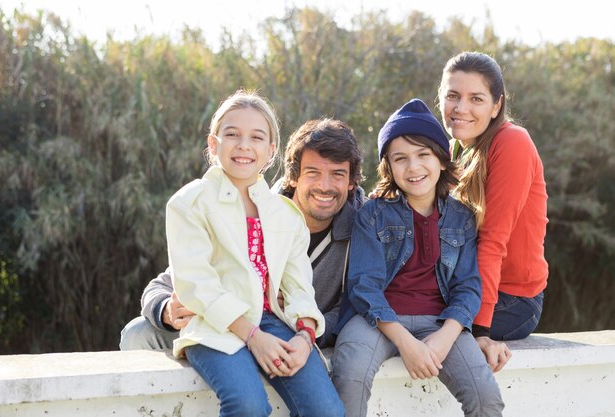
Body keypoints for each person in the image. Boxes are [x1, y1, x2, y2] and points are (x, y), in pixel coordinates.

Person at [164, 90, 344, 417]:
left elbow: (299, 285)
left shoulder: (285, 214)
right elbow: (196, 284)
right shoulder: (189, 203)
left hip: (275, 324)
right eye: (232, 134)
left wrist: (304, 337)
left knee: (326, 411)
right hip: (214, 328)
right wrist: (252, 336)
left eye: (256, 137)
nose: (244, 145)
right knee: (248, 405)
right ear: (213, 144)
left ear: (271, 150)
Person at [120, 118, 365, 351]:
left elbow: (351, 309)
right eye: (312, 173)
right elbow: (164, 284)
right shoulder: (249, 209)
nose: (324, 186)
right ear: (293, 177)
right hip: (224, 329)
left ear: (351, 181)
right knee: (137, 333)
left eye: (337, 174)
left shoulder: (364, 229)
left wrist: (302, 326)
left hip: (292, 337)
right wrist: (166, 310)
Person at [331, 98, 504, 417]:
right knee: (350, 377)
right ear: (388, 167)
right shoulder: (372, 215)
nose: (413, 167)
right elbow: (363, 286)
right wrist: (407, 344)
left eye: (423, 154)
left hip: (439, 322)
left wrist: (444, 337)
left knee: (486, 397)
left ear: (441, 159)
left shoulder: (462, 217)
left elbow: (468, 287)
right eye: (400, 159)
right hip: (375, 321)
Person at [438, 51, 549, 371]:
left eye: (476, 99)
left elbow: (493, 241)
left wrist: (480, 331)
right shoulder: (455, 149)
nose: (461, 109)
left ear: (496, 105)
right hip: (464, 287)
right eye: (453, 96)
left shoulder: (511, 143)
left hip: (512, 301)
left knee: (417, 324)